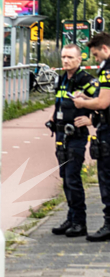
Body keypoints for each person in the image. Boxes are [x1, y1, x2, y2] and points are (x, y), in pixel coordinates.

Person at [48, 44, 98, 237]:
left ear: (79, 60)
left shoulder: (86, 81)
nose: (66, 61)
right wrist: (53, 118)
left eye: (70, 57)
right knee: (65, 177)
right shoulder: (62, 80)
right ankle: (71, 217)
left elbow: (103, 102)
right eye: (63, 57)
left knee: (72, 178)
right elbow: (59, 103)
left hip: (76, 136)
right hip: (61, 135)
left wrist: (91, 119)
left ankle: (79, 221)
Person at [70, 31, 110, 241]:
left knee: (106, 177)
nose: (95, 60)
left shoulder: (108, 69)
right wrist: (89, 97)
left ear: (105, 49)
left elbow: (103, 103)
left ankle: (109, 225)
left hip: (108, 132)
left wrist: (83, 103)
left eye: (95, 55)